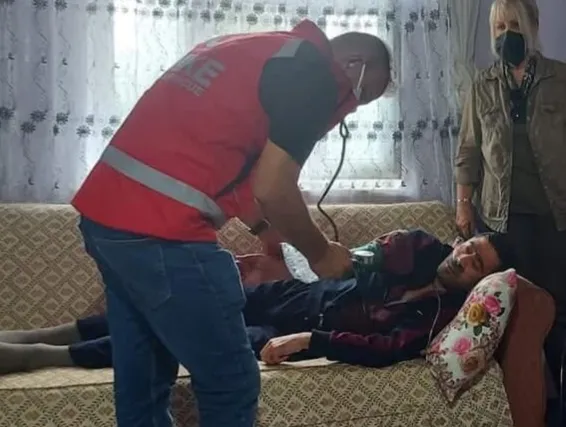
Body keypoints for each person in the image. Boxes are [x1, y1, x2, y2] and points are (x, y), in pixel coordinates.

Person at [71, 19, 392, 427]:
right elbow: (274, 186)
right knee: (231, 382)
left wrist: (267, 232)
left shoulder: (255, 48)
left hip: (107, 219)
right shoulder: (313, 73)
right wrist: (321, 254)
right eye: (361, 95)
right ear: (353, 64)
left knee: (144, 379)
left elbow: (233, 163)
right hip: (161, 232)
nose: (350, 107)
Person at [0, 229, 514, 374]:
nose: (465, 257)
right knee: (184, 307)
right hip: (296, 294)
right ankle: (51, 334)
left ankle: (46, 356)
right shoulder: (422, 245)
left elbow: (387, 348)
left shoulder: (440, 319)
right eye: (470, 246)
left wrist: (312, 340)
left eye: (476, 263)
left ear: (480, 284)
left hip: (291, 332)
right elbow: (368, 257)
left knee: (195, 339)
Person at [454, 0, 566, 389]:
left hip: (555, 216)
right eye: (499, 27)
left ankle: (557, 399)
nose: (506, 35)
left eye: (514, 25)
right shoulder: (482, 84)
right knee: (510, 312)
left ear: (533, 26)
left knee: (557, 308)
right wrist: (463, 205)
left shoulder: (560, 78)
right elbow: (468, 150)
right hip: (502, 219)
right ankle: (520, 396)